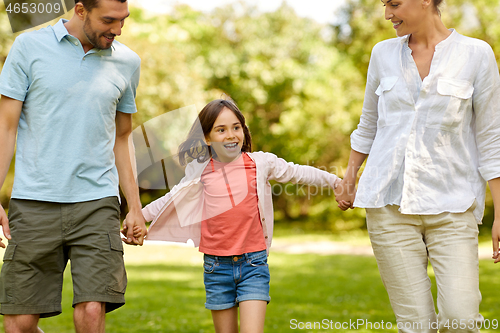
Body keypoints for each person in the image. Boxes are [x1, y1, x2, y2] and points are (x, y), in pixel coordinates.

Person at [334, 0, 500, 331]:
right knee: (415, 325)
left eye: (394, 4)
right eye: (384, 5)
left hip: (452, 207)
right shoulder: (382, 54)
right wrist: (350, 177)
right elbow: (369, 124)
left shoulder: (476, 54)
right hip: (387, 205)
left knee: (461, 319)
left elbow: (491, 139)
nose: (386, 14)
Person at [0, 0, 147, 332]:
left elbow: (122, 138)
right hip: (35, 199)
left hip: (97, 202)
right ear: (80, 10)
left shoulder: (127, 62)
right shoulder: (29, 47)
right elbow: (5, 127)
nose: (118, 29)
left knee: (93, 308)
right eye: (109, 20)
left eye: (123, 20)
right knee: (19, 322)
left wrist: (135, 206)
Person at [134, 99, 341, 333]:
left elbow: (298, 172)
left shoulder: (260, 163)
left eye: (236, 127)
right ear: (207, 138)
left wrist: (335, 182)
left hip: (253, 264)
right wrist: (138, 216)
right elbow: (172, 199)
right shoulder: (200, 170)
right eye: (221, 130)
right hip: (216, 267)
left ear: (243, 130)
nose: (231, 135)